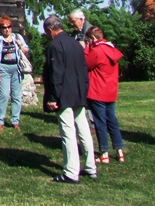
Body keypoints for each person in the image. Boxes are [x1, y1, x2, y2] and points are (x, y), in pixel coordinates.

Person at [43, 15, 96, 184]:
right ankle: (90, 166)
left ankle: (71, 172)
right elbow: (83, 69)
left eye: (46, 32)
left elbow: (55, 74)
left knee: (68, 132)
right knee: (83, 129)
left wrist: (52, 97)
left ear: (51, 30)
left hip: (64, 94)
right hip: (79, 92)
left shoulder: (55, 45)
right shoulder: (75, 43)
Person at [84, 26, 125, 163]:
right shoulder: (111, 49)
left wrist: (87, 48)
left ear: (92, 38)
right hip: (110, 90)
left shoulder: (96, 51)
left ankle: (104, 153)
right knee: (112, 120)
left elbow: (86, 65)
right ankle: (119, 151)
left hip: (97, 91)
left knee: (100, 122)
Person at [0, 15, 29, 131]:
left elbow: (26, 50)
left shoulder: (17, 37)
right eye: (4, 27)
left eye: (9, 27)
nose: (6, 29)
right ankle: (0, 121)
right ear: (0, 29)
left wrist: (20, 45)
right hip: (3, 68)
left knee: (17, 96)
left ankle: (15, 120)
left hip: (16, 68)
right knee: (4, 95)